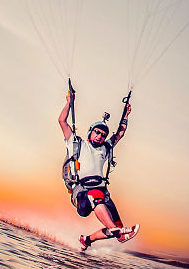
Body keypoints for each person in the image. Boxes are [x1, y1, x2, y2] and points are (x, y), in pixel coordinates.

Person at [58, 90, 139, 251]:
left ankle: (87, 240)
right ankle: (116, 231)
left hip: (101, 192)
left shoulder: (106, 148)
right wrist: (69, 102)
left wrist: (126, 115)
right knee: (99, 202)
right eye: (97, 132)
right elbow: (62, 121)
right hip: (81, 194)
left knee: (117, 228)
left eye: (103, 134)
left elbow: (120, 133)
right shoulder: (77, 143)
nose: (100, 136)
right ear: (90, 132)